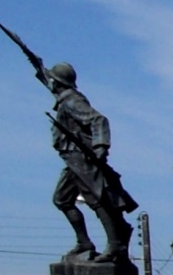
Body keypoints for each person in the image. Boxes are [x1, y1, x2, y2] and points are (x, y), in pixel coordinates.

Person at [40, 62, 136, 263]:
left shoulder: (72, 101)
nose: (49, 82)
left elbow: (98, 120)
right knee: (62, 199)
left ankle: (115, 245)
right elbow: (49, 83)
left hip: (81, 157)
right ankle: (84, 242)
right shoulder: (64, 98)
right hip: (72, 159)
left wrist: (101, 147)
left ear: (57, 83)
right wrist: (37, 65)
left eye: (52, 80)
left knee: (97, 199)